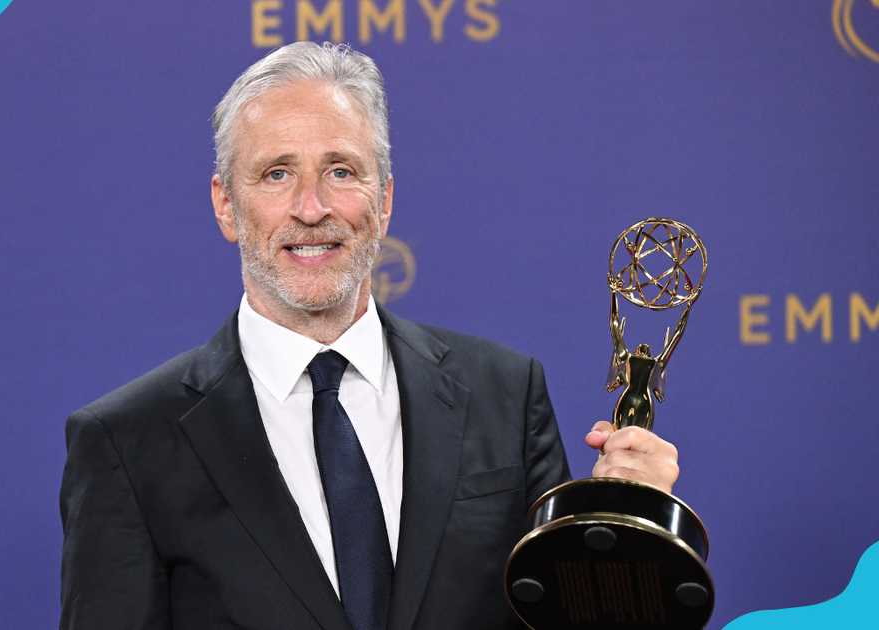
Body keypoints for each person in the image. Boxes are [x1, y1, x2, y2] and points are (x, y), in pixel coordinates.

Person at [59, 41, 679, 630]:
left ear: (383, 201)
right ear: (226, 206)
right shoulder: (127, 441)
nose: (311, 207)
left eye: (340, 171)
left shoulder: (507, 396)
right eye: (276, 174)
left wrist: (631, 536)